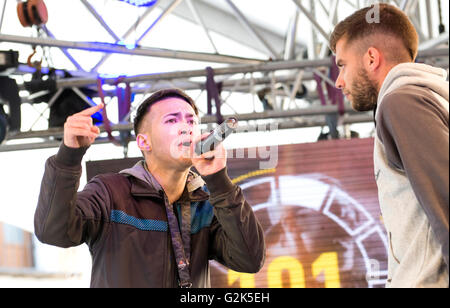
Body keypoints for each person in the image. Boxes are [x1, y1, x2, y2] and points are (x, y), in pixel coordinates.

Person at [34, 88, 266, 288]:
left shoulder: (206, 203)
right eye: (172, 120)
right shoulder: (109, 192)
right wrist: (68, 157)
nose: (186, 127)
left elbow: (250, 259)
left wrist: (219, 181)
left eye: (191, 121)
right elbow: (53, 231)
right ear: (144, 142)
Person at [330, 4, 449, 287]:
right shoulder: (420, 99)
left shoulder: (401, 102)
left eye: (342, 65)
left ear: (371, 58)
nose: (338, 81)